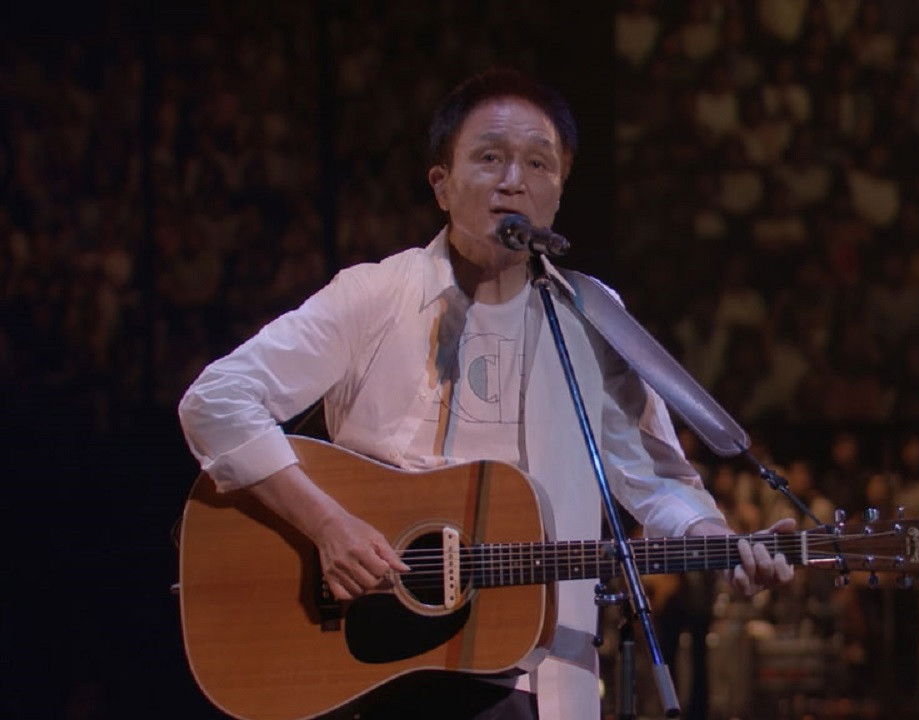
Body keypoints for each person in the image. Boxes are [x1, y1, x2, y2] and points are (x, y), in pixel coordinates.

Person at [177, 69, 793, 719]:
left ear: (559, 189)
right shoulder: (377, 295)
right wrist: (328, 524)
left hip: (549, 675)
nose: (514, 180)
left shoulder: (592, 314)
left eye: (538, 163)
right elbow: (216, 401)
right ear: (441, 185)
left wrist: (719, 542)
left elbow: (653, 476)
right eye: (490, 158)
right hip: (383, 673)